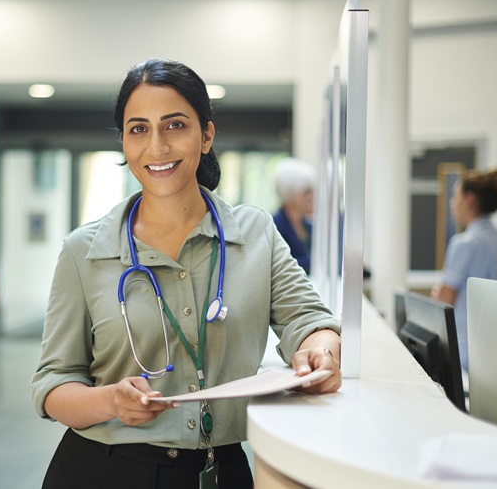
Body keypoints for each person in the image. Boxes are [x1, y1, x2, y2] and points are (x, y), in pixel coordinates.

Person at [31, 58, 342, 489]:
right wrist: (111, 401)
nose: (156, 147)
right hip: (103, 469)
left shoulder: (255, 235)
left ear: (207, 134)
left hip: (221, 469)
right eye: (138, 128)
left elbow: (310, 321)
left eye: (175, 125)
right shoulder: (84, 251)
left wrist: (320, 353)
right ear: (123, 141)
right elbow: (53, 385)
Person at [431, 167, 497, 371]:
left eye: (455, 197)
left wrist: (438, 292)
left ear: (469, 200)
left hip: (467, 356)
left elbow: (443, 300)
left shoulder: (465, 243)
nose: (452, 204)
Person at [272, 158, 315, 274]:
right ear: (290, 194)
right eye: (306, 192)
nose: (312, 197)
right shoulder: (275, 226)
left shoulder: (309, 227)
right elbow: (281, 266)